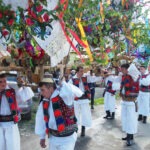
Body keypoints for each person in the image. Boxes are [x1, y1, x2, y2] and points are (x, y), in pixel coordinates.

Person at [35, 75, 83, 150]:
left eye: (43, 90)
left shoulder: (64, 97)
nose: (41, 93)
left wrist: (63, 83)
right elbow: (40, 120)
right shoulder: (44, 102)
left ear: (50, 89)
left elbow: (76, 93)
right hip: (53, 138)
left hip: (67, 139)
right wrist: (42, 137)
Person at [69, 66, 102, 136]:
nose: (82, 72)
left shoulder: (85, 78)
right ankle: (76, 129)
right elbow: (68, 88)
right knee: (76, 115)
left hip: (84, 99)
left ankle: (83, 129)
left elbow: (94, 79)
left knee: (85, 114)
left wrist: (102, 76)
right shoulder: (72, 79)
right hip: (76, 100)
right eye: (80, 71)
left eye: (82, 71)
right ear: (77, 72)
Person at [120, 64, 139, 146]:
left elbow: (134, 70)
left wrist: (130, 65)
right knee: (125, 119)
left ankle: (130, 137)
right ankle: (128, 135)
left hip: (131, 102)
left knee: (131, 120)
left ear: (128, 70)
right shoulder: (123, 77)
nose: (121, 70)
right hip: (124, 101)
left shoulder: (133, 76)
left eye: (123, 69)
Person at [0, 71, 20, 150]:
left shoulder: (12, 90)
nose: (3, 83)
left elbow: (24, 95)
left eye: (4, 81)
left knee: (12, 146)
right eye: (0, 81)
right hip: (0, 124)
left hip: (11, 123)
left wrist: (21, 84)